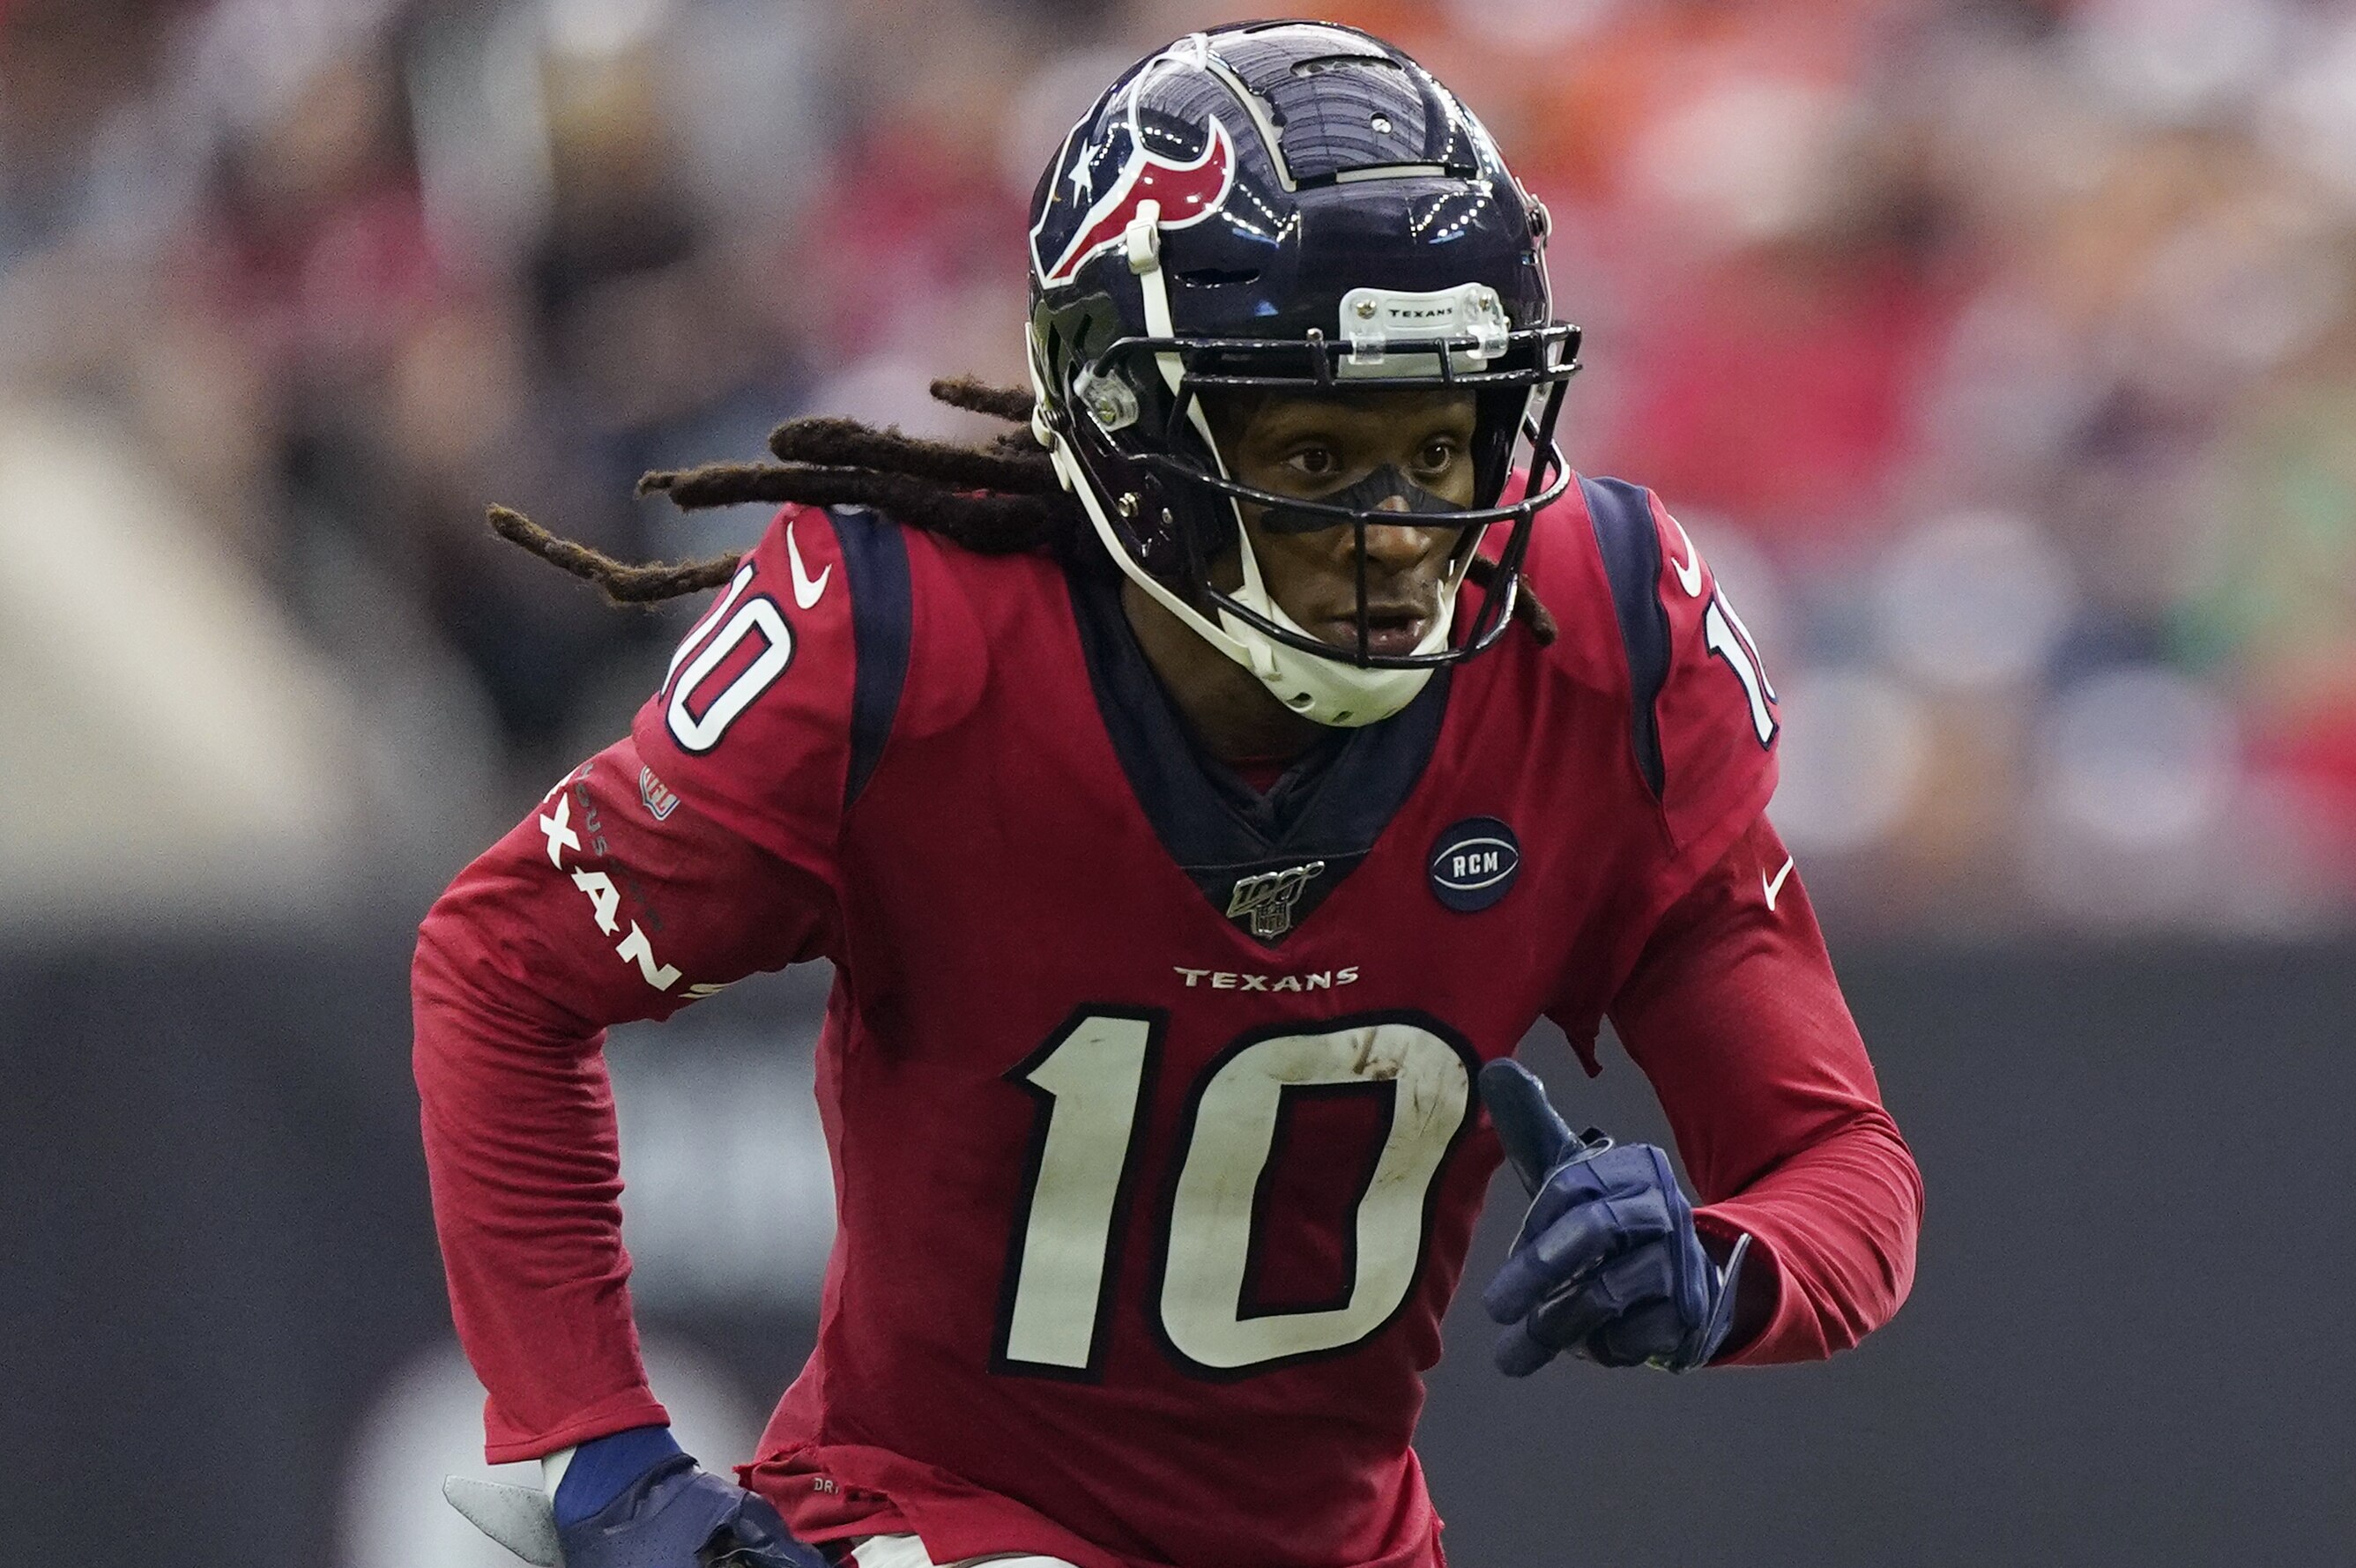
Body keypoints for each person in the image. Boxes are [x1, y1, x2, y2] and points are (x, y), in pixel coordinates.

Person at [412, 22, 1922, 1568]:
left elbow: (1843, 1172)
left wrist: (1720, 1276)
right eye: (1321, 451)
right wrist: (593, 1452)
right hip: (937, 1519)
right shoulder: (907, 641)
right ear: (1130, 431)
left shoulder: (1595, 633)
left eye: (1442, 444)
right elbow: (504, 965)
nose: (1402, 531)